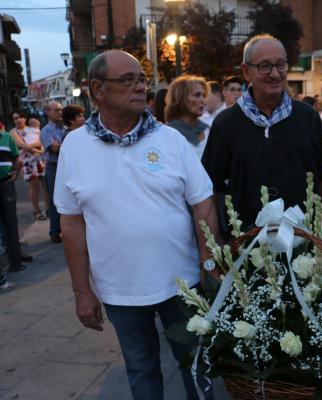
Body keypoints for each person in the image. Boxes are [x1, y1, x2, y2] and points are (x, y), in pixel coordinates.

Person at [54, 50, 220, 400]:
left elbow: (203, 202)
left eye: (141, 79)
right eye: (127, 80)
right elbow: (71, 223)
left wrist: (209, 262)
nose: (140, 87)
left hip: (182, 285)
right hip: (120, 289)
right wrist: (82, 291)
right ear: (97, 89)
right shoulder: (75, 146)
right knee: (142, 368)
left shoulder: (170, 140)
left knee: (195, 364)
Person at [202, 34, 322, 232]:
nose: (275, 74)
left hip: (305, 245)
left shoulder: (308, 117)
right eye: (265, 66)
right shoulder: (226, 123)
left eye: (281, 64)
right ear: (246, 71)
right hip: (246, 248)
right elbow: (211, 185)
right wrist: (219, 239)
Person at [10, 111, 48, 221]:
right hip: (28, 161)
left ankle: (48, 209)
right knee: (34, 185)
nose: (18, 120)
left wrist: (35, 149)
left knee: (46, 185)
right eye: (15, 118)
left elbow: (41, 140)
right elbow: (21, 145)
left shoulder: (33, 129)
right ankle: (37, 211)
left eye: (20, 117)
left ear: (25, 118)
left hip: (40, 159)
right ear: (13, 121)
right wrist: (37, 150)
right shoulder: (13, 132)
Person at [0, 121, 27, 275]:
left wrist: (16, 172)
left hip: (6, 184)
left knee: (10, 222)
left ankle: (15, 261)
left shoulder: (7, 137)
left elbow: (17, 158)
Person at [165, 75, 211, 159]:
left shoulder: (208, 131)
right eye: (197, 95)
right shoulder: (166, 134)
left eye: (204, 95)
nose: (203, 100)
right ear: (180, 97)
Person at [40, 101, 64, 243]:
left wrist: (59, 144)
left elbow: (59, 146)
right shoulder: (46, 131)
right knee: (55, 199)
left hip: (66, 165)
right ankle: (54, 232)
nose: (60, 113)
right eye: (56, 110)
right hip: (53, 167)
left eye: (61, 110)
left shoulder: (66, 127)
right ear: (48, 112)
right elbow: (54, 149)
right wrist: (66, 145)